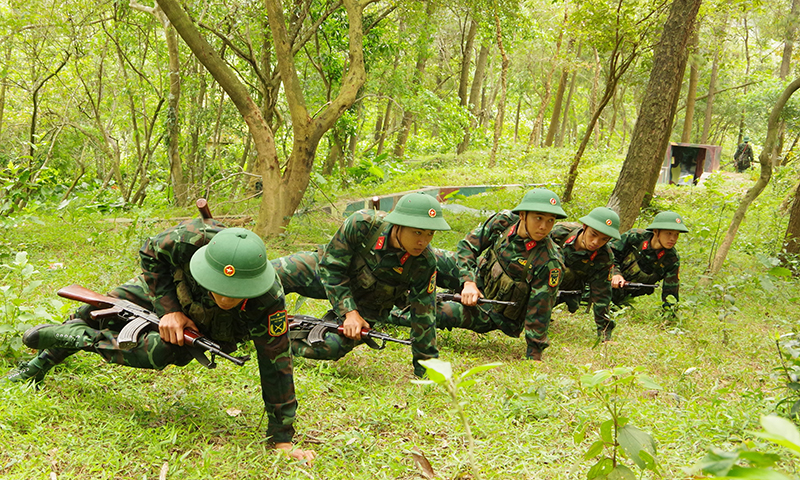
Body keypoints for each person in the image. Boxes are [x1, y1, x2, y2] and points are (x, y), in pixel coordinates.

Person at [7, 220, 315, 462]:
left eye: (235, 292)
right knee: (94, 309)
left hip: (207, 327)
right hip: (169, 289)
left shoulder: (268, 300)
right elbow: (150, 251)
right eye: (220, 286)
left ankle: (83, 339)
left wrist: (281, 438)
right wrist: (169, 310)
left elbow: (277, 364)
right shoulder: (191, 238)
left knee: (158, 350)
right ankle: (37, 365)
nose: (224, 296)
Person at [272, 192, 450, 378]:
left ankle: (268, 335)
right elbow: (332, 267)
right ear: (398, 225)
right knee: (272, 273)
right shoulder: (364, 224)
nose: (423, 241)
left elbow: (424, 316)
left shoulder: (424, 263)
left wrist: (428, 372)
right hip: (330, 273)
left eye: (430, 233)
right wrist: (349, 312)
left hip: (367, 303)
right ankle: (242, 321)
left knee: (328, 347)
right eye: (417, 232)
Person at [393, 188, 566, 361]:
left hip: (492, 311)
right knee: (427, 257)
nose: (544, 227)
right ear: (522, 215)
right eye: (538, 218)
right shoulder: (504, 222)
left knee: (432, 312)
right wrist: (469, 282)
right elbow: (467, 246)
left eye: (550, 220)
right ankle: (389, 282)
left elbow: (540, 310)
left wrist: (534, 355)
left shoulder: (549, 261)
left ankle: (382, 311)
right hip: (478, 278)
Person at [549, 207, 620, 341]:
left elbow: (602, 295)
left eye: (604, 239)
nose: (596, 242)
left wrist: (604, 334)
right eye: (593, 234)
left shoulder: (604, 257)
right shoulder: (560, 232)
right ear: (585, 226)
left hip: (570, 286)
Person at [610, 211, 688, 309]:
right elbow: (608, 254)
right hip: (602, 281)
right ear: (656, 231)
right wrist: (615, 273)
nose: (673, 239)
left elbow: (671, 293)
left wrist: (670, 314)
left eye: (676, 234)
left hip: (623, 294)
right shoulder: (635, 237)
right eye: (669, 233)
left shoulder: (671, 259)